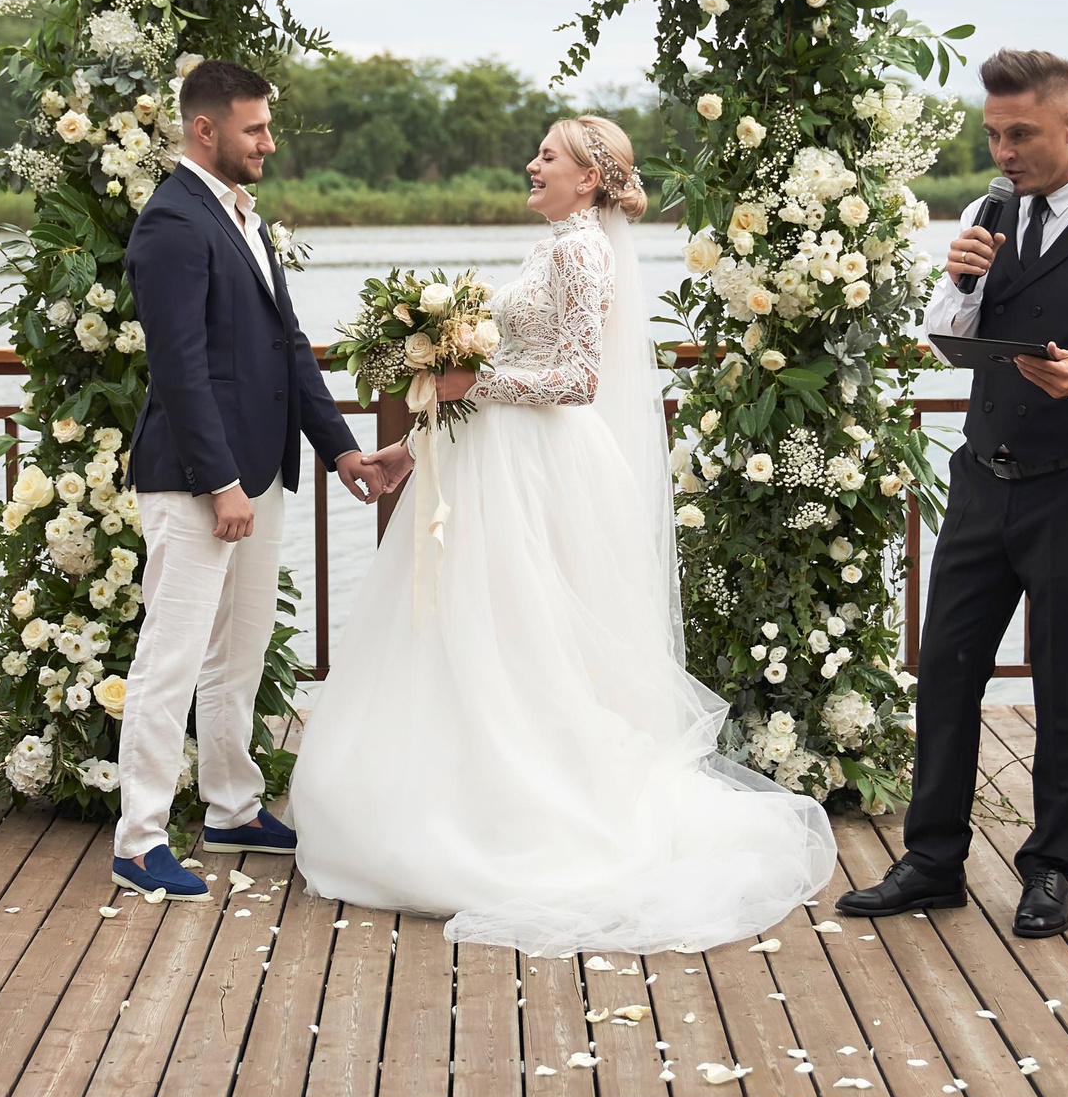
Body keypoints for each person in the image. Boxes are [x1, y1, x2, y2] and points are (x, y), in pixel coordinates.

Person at [291, 116, 837, 954]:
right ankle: (459, 799)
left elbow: (580, 379)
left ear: (589, 178)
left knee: (523, 637)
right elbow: (509, 376)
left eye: (548, 156)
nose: (531, 164)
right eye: (538, 154)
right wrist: (417, 436)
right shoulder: (552, 245)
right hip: (493, 459)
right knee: (478, 634)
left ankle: (527, 813)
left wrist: (472, 376)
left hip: (540, 468)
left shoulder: (584, 251)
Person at [837, 49, 1068, 939]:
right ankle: (932, 860)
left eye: (1022, 133)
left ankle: (1048, 869)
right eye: (994, 133)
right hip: (982, 479)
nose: (1003, 151)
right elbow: (943, 336)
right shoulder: (987, 214)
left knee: (1067, 683)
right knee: (947, 672)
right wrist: (960, 278)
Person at [112, 59, 387, 900]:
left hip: (256, 477)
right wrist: (220, 483)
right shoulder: (171, 222)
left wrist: (342, 449)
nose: (269, 141)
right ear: (206, 131)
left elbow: (287, 348)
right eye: (255, 128)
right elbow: (182, 369)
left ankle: (232, 808)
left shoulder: (242, 219)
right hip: (202, 482)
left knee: (238, 652)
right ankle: (140, 840)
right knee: (171, 656)